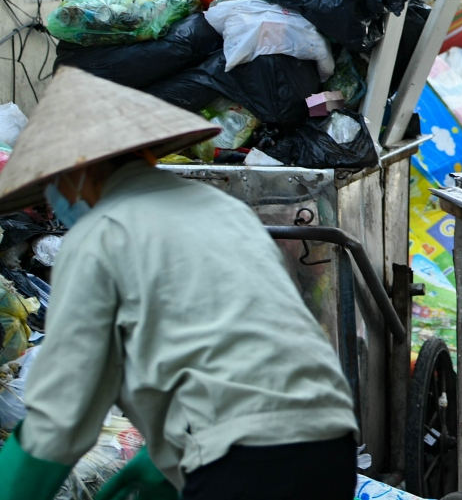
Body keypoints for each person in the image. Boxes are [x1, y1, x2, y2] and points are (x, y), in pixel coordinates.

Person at [0, 68, 359, 500]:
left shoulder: (101, 234)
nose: (54, 196)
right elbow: (232, 349)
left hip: (243, 460)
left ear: (80, 170)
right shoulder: (221, 209)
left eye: (54, 183)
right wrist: (155, 464)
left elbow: (61, 414)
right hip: (329, 443)